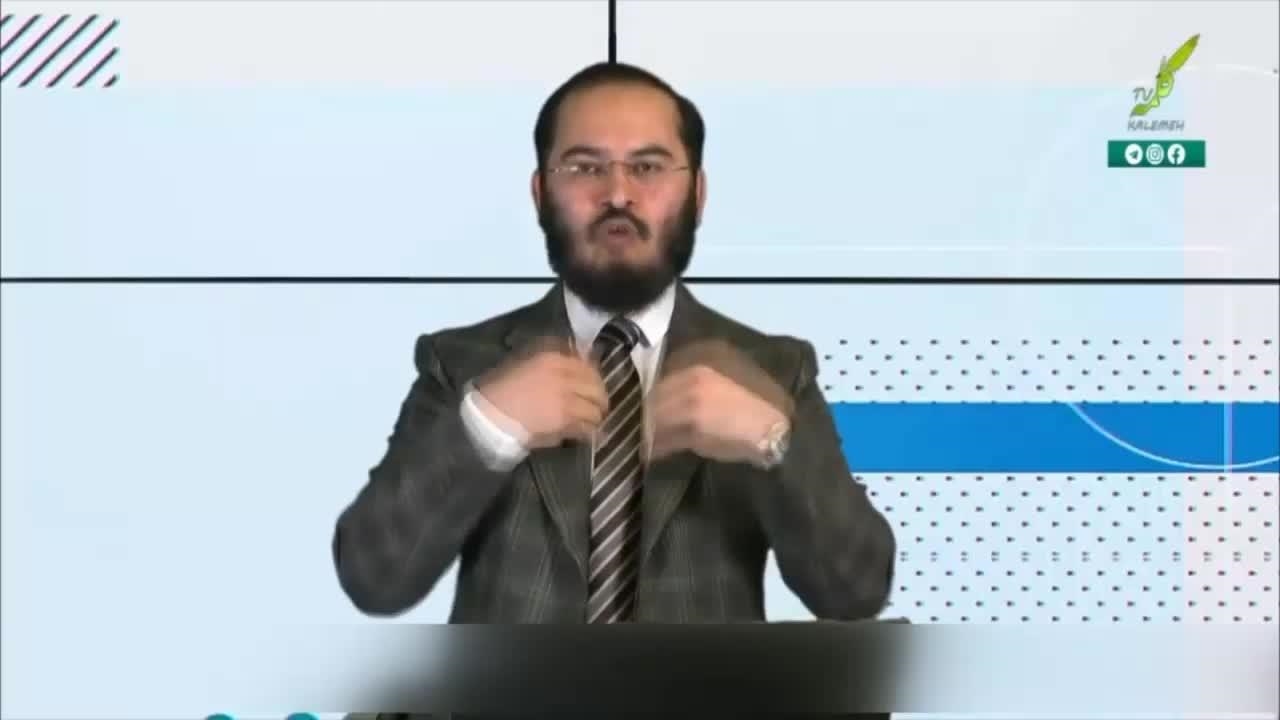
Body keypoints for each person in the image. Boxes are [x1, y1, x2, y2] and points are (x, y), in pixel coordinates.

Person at [331, 62, 896, 624]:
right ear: (540, 193)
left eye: (648, 167)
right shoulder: (459, 364)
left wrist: (771, 443)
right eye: (585, 167)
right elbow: (375, 580)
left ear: (697, 193)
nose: (618, 194)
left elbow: (855, 593)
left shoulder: (775, 370)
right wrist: (487, 427)